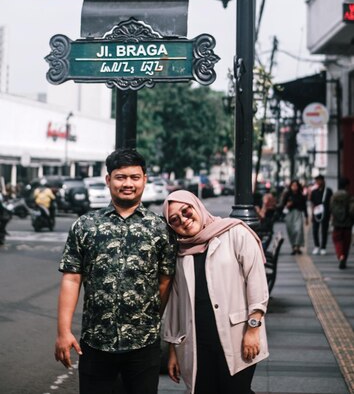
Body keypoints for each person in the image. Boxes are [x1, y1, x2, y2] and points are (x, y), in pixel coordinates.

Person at [54, 148, 176, 394]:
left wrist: (147, 319)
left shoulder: (160, 228)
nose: (128, 183)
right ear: (108, 180)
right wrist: (63, 331)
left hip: (144, 345)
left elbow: (165, 282)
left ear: (144, 179)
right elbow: (71, 279)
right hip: (95, 343)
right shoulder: (85, 225)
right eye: (121, 177)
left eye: (134, 177)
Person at [162, 190, 269, 394]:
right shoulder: (179, 252)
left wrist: (253, 328)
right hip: (197, 343)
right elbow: (175, 305)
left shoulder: (235, 233)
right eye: (175, 220)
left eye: (186, 211)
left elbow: (256, 282)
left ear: (197, 206)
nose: (183, 220)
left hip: (237, 337)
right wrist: (173, 350)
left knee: (236, 390)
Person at [330, 178, 354, 269]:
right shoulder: (349, 196)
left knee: (337, 241)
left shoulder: (333, 196)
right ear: (347, 186)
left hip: (336, 223)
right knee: (346, 243)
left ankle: (340, 256)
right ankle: (344, 257)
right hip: (347, 224)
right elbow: (352, 210)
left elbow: (331, 208)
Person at [280, 180, 308, 255]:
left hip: (298, 214)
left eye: (296, 185)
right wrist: (287, 205)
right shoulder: (287, 194)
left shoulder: (301, 195)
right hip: (289, 214)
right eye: (293, 185)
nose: (294, 187)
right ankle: (293, 246)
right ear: (290, 186)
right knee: (291, 231)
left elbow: (304, 207)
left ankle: (297, 246)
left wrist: (306, 217)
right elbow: (282, 205)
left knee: (298, 230)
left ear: (298, 187)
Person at [310, 175, 333, 255]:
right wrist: (312, 214)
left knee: (324, 231)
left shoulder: (328, 191)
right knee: (315, 230)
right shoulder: (314, 191)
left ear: (323, 181)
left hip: (325, 213)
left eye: (320, 180)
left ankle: (323, 247)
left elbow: (331, 203)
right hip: (316, 213)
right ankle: (316, 246)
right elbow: (312, 203)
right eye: (317, 180)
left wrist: (331, 214)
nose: (318, 182)